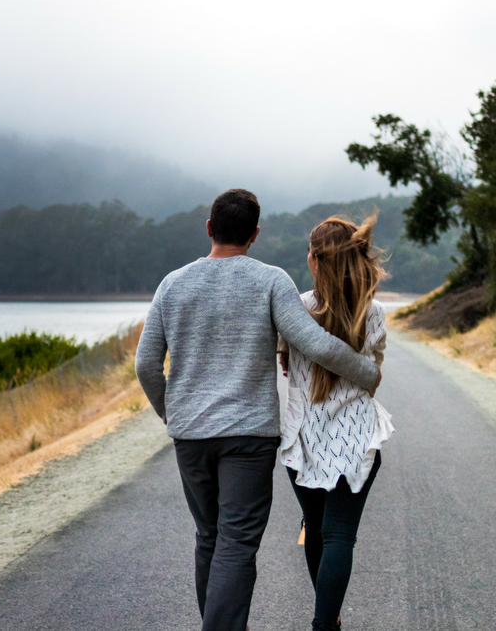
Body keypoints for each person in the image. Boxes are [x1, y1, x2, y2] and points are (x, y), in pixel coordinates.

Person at [135, 189, 382, 631]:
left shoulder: (172, 284)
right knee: (236, 543)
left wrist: (170, 414)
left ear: (209, 228)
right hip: (248, 439)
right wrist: (366, 373)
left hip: (190, 436)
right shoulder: (270, 280)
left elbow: (145, 364)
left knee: (208, 538)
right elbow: (316, 344)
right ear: (255, 235)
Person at [278, 214, 395, 631]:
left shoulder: (296, 310)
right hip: (357, 438)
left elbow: (286, 364)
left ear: (314, 260)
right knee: (341, 533)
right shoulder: (375, 311)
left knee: (316, 529)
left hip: (304, 440)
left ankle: (329, 618)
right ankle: (325, 622)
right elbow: (374, 373)